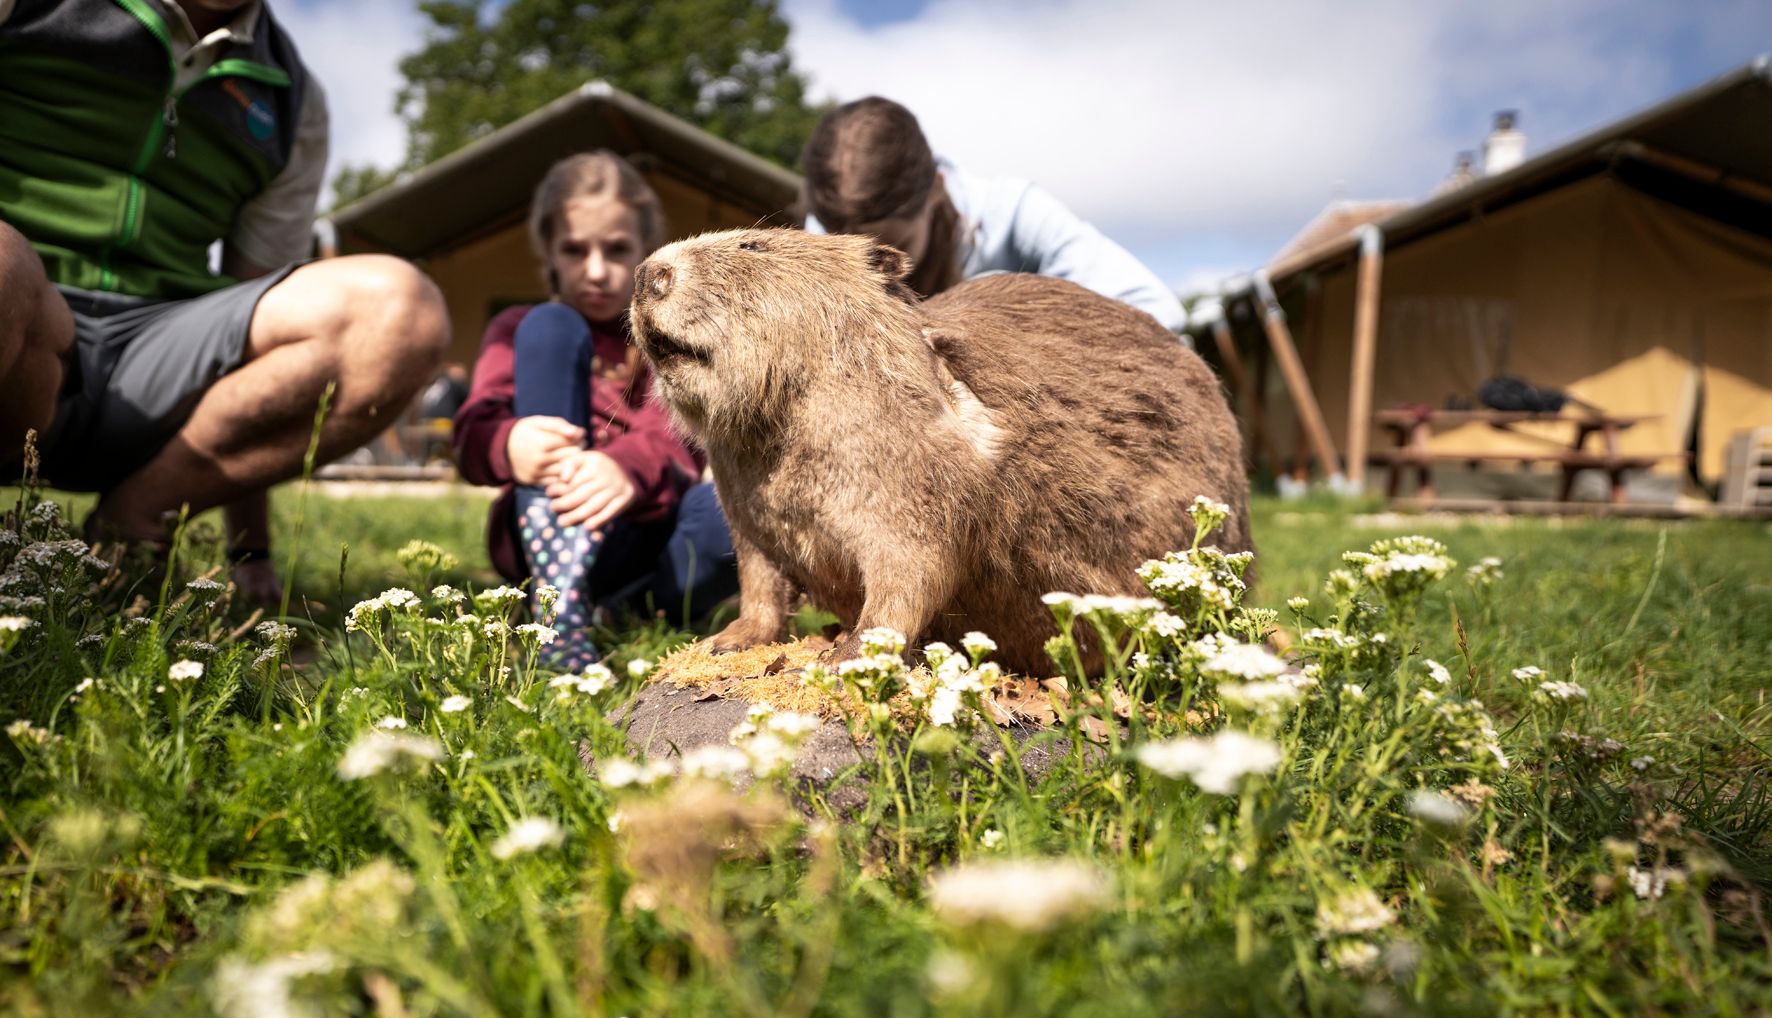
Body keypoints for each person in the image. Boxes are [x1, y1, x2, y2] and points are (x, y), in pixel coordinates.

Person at [0, 0, 450, 603]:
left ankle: (136, 519)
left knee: (400, 311)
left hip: (158, 356)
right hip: (21, 320)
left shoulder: (294, 100)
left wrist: (250, 549)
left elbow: (255, 295)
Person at [452, 152, 737, 670]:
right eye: (575, 250)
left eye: (617, 249)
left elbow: (678, 442)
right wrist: (507, 442)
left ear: (647, 252)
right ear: (549, 252)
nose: (597, 271)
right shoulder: (517, 326)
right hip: (545, 524)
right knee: (550, 326)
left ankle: (615, 610)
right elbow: (473, 428)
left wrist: (624, 468)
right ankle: (559, 601)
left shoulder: (668, 337)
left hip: (643, 536)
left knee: (730, 514)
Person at [801, 96, 1187, 334]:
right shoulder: (821, 237)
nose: (873, 269)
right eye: (847, 246)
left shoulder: (1015, 213)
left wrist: (1014, 331)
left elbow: (1156, 314)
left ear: (936, 188)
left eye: (893, 245)